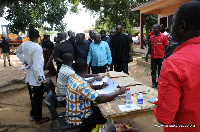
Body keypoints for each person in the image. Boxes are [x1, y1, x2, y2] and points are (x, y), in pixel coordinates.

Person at [154, 1, 200, 132]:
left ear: (182, 26)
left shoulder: (174, 64)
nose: (170, 28)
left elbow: (164, 118)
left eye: (173, 23)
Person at [66, 59, 126, 131]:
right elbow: (99, 99)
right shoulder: (81, 84)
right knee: (106, 119)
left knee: (98, 109)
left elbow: (84, 87)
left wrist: (99, 86)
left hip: (72, 113)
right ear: (87, 68)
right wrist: (119, 92)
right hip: (80, 117)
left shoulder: (72, 77)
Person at [16, 29, 49, 124]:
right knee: (38, 97)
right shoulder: (37, 47)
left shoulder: (25, 44)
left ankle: (33, 113)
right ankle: (38, 118)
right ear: (38, 37)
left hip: (30, 74)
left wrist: (24, 61)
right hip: (36, 76)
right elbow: (36, 66)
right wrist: (41, 80)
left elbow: (17, 52)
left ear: (29, 36)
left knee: (35, 96)